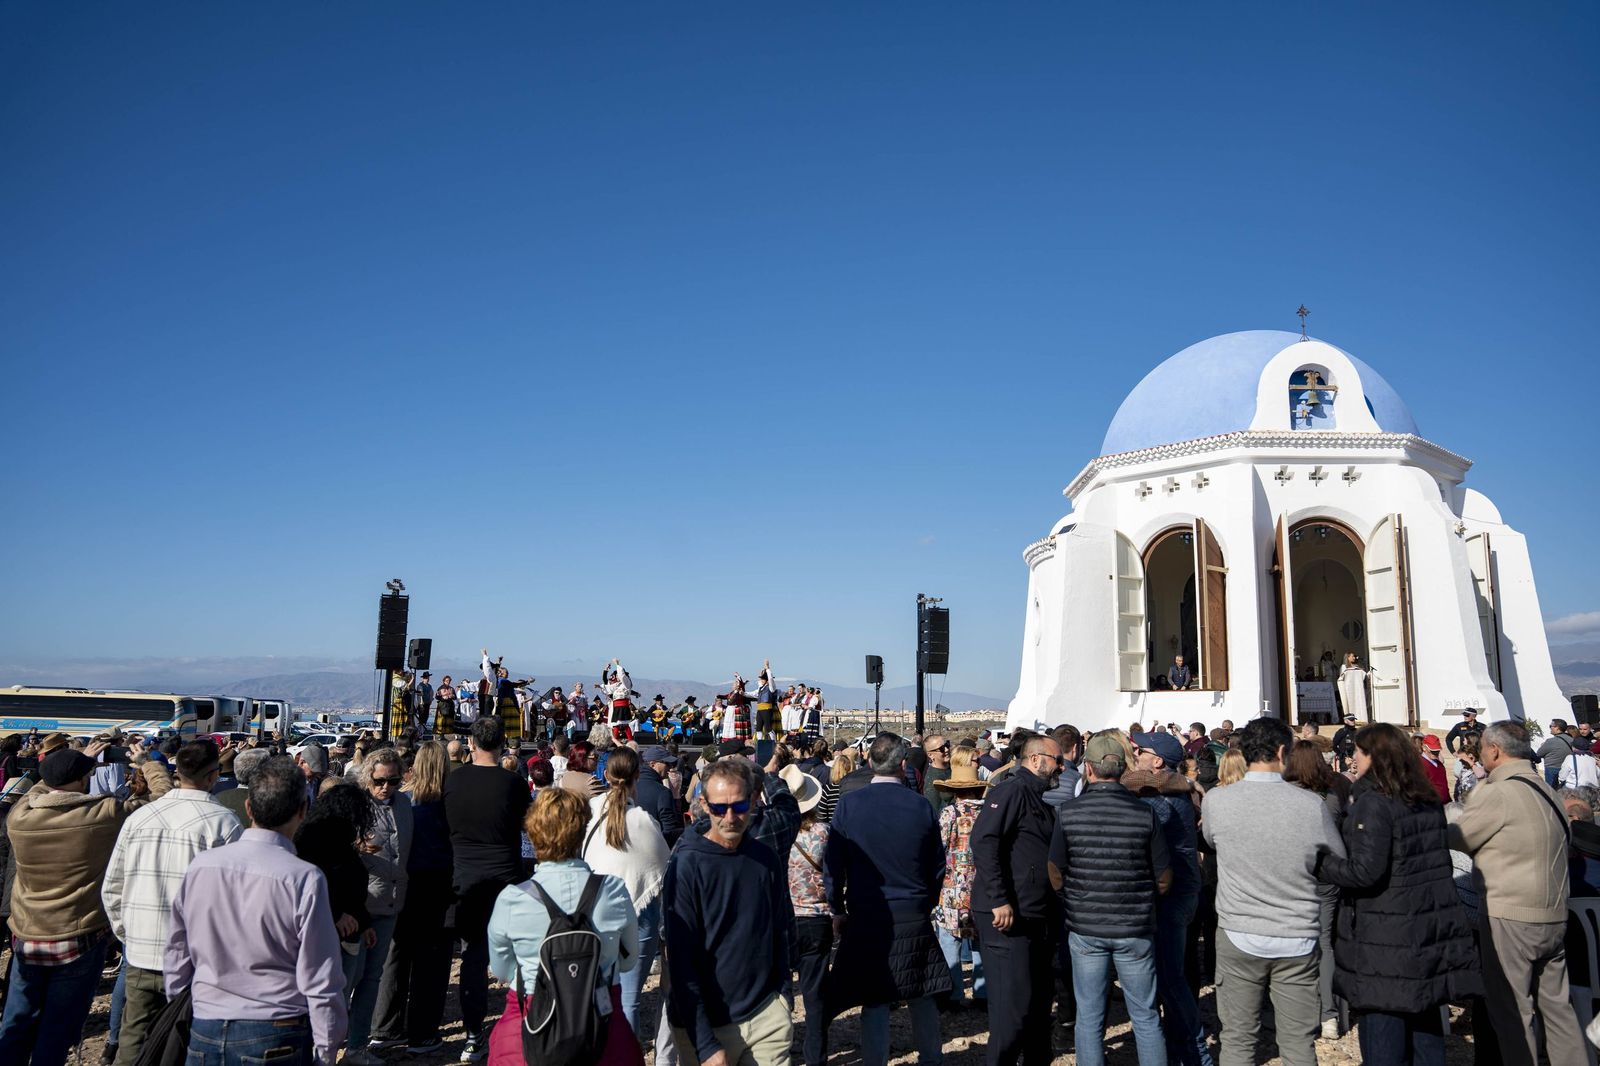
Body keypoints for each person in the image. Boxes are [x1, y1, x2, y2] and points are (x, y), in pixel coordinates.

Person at [1315, 723, 1480, 1064]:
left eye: (1358, 753)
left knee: (1384, 1035)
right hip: (1425, 926)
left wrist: (1322, 863)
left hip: (1385, 935)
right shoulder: (1425, 799)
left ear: (1374, 756)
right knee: (1424, 1024)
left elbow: (1365, 871)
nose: (1353, 759)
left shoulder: (1374, 803)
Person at [166, 755, 347, 1066]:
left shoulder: (202, 867)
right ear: (303, 811)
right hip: (276, 1027)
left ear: (248, 808)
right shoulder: (303, 878)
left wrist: (185, 1001)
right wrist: (327, 1047)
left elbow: (177, 952)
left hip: (206, 1021)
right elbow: (320, 975)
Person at [0, 743, 172, 1066]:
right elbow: (162, 798)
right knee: (57, 1028)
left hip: (28, 935)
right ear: (83, 781)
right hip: (78, 937)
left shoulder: (20, 819)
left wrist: (72, 764)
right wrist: (148, 764)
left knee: (16, 1022)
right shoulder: (103, 814)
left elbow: (36, 789)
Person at [1201, 717, 1345, 1066]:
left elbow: (1211, 841)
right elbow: (1339, 855)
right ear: (1283, 752)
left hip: (1240, 930)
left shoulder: (1217, 801)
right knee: (1298, 1044)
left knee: (1237, 1040)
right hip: (1295, 933)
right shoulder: (1310, 804)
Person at [1447, 719, 1586, 1066]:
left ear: (1494, 750)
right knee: (1558, 1011)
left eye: (1482, 749)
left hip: (1511, 916)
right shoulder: (1548, 790)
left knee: (1512, 1012)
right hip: (1553, 913)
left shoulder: (1499, 792)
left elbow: (1457, 837)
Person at [101, 740, 242, 1066]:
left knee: (133, 1036)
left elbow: (112, 887)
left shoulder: (141, 816)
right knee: (184, 1040)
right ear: (213, 776)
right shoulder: (224, 823)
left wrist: (128, 934)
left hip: (141, 951)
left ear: (177, 772)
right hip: (195, 958)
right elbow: (231, 899)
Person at [486, 788, 640, 1065]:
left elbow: (503, 969)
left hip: (532, 1020)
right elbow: (628, 961)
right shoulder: (614, 890)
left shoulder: (512, 898)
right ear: (582, 832)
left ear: (533, 834)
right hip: (601, 1019)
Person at [825, 732, 950, 1066]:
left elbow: (833, 863)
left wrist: (836, 907)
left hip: (868, 910)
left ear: (869, 762)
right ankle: (931, 1059)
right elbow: (937, 864)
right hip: (912, 907)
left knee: (876, 997)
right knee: (921, 990)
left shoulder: (850, 805)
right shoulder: (920, 805)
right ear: (903, 764)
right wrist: (928, 901)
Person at [1049, 732, 1169, 1066]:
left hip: (1085, 925)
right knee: (1145, 1014)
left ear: (1088, 770)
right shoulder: (1145, 813)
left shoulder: (1069, 812)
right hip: (1135, 925)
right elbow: (1163, 876)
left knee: (1089, 1015)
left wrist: (1071, 899)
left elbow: (1055, 869)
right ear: (1121, 770)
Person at [664, 757, 793, 1066]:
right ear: (704, 805)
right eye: (720, 808)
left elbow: (780, 929)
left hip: (765, 1017)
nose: (731, 817)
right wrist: (706, 1045)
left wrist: (782, 999)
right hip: (704, 1026)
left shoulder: (766, 859)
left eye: (739, 806)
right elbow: (680, 961)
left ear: (752, 800)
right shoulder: (685, 865)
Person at [970, 734, 1061, 1066]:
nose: (1061, 768)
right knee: (1012, 1012)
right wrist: (999, 899)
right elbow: (983, 840)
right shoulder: (1012, 791)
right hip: (1007, 918)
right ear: (1036, 760)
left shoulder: (1037, 798)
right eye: (1056, 760)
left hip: (1034, 916)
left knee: (1036, 1006)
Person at [445, 716, 531, 1063]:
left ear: (471, 744)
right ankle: (521, 1027)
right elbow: (527, 826)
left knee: (473, 957)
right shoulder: (513, 784)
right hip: (505, 878)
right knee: (519, 955)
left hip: (466, 878)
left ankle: (472, 1034)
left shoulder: (453, 781)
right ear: (502, 744)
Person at [1125, 730, 1211, 1066]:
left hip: (1170, 895)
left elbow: (1140, 827)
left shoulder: (1162, 799)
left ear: (1156, 761)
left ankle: (1196, 1053)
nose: (1134, 754)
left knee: (1170, 978)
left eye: (1139, 750)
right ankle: (1181, 1047)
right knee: (1173, 974)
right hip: (1181, 891)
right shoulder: (1174, 789)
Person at [371, 742, 454, 1055]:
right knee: (430, 963)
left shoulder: (403, 800)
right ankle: (422, 1033)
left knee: (396, 956)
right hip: (438, 888)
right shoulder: (449, 804)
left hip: (403, 885)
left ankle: (384, 1028)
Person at [582, 747, 671, 1038]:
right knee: (629, 1000)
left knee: (602, 992)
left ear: (605, 776)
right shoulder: (644, 821)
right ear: (636, 777)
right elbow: (662, 866)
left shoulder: (590, 812)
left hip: (597, 908)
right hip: (640, 915)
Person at [338, 750, 411, 1064]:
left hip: (390, 903)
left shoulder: (405, 805)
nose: (386, 787)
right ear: (368, 778)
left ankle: (356, 1046)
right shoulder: (355, 809)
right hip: (358, 909)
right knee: (346, 980)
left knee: (372, 978)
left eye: (393, 781)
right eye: (380, 781)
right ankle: (328, 1044)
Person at [781, 764, 831, 1066]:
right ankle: (816, 1057)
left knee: (780, 997)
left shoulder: (769, 832)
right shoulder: (824, 833)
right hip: (816, 917)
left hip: (781, 920)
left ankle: (778, 1052)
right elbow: (836, 874)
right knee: (815, 997)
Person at [931, 749, 988, 1007]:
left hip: (952, 887)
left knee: (949, 940)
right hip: (983, 886)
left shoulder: (949, 814)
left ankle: (953, 992)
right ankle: (982, 991)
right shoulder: (989, 812)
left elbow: (938, 849)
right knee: (981, 943)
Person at [636, 745, 684, 849]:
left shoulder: (630, 786)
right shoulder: (663, 793)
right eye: (666, 763)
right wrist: (676, 795)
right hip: (654, 853)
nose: (670, 767)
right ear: (653, 764)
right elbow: (671, 833)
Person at [1538, 719, 1576, 788]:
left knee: (1551, 791)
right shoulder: (1572, 740)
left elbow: (1539, 754)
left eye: (1551, 726)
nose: (1550, 728)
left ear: (1557, 728)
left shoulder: (1550, 741)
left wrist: (1542, 746)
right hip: (1568, 768)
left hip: (1552, 769)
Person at [922, 735, 953, 816]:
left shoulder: (953, 768)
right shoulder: (932, 780)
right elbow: (934, 812)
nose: (946, 749)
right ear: (930, 755)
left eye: (947, 745)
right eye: (941, 749)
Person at [1418, 734, 1451, 803]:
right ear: (1424, 748)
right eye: (1432, 750)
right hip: (1430, 807)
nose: (1435, 753)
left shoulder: (1440, 765)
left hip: (1445, 804)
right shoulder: (1419, 764)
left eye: (1437, 751)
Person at [1337, 653, 1368, 722]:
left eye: (1354, 656)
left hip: (1357, 688)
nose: (1354, 658)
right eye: (1352, 656)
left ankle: (1360, 719)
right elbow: (1342, 677)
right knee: (1350, 704)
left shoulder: (1357, 666)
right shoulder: (1344, 666)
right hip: (1349, 688)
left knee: (1358, 702)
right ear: (1347, 657)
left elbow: (1363, 674)